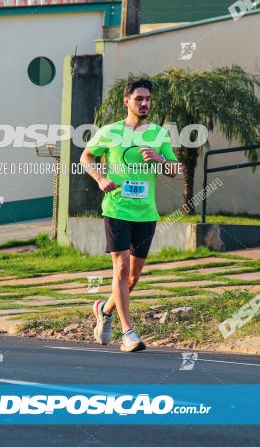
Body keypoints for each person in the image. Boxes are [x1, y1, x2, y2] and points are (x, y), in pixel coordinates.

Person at [80, 79, 180, 352]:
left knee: (133, 278)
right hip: (116, 209)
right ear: (127, 101)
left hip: (146, 212)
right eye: (139, 99)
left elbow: (175, 171)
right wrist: (100, 178)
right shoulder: (110, 132)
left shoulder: (159, 134)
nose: (145, 103)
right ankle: (128, 333)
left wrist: (160, 160)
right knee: (121, 268)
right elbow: (85, 157)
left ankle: (104, 308)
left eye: (148, 99)